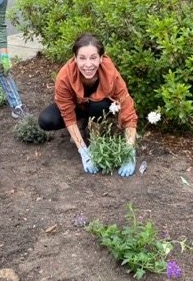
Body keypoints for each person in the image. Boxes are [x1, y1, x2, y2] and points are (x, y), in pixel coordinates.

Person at [38, 33, 138, 176]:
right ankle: (82, 123)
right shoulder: (64, 77)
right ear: (75, 58)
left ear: (101, 58)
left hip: (100, 107)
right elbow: (67, 115)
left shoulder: (111, 74)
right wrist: (83, 151)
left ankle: (95, 132)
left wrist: (129, 151)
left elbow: (128, 111)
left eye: (93, 58)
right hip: (77, 107)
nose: (88, 65)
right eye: (82, 58)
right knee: (46, 120)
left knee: (98, 105)